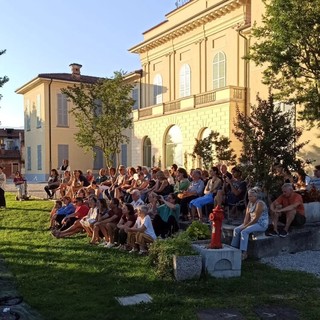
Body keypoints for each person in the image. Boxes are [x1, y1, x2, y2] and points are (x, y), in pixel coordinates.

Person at [231, 187, 269, 260]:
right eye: (248, 196)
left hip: (261, 223)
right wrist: (244, 224)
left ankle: (244, 253)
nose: (249, 198)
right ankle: (233, 249)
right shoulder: (250, 203)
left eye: (251, 196)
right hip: (251, 222)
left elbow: (256, 219)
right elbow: (247, 215)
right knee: (236, 230)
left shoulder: (260, 203)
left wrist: (245, 227)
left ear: (256, 196)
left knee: (244, 232)